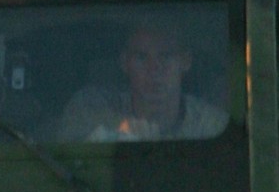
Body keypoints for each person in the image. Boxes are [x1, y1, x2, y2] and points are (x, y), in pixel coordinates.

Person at [58, 16, 226, 142]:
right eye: (141, 57)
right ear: (124, 63)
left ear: (185, 61)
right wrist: (115, 133)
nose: (154, 70)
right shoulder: (89, 109)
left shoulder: (211, 126)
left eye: (166, 57)